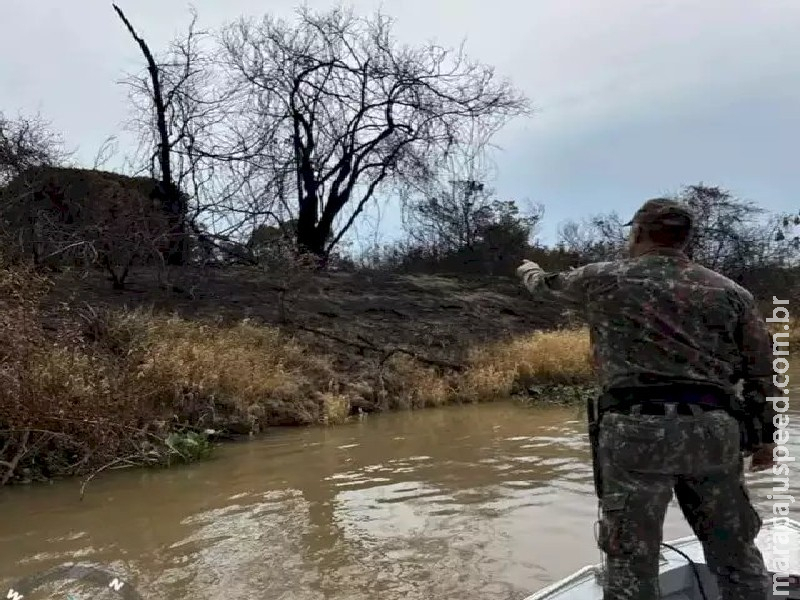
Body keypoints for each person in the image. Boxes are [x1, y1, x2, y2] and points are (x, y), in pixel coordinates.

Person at [516, 198, 777, 600]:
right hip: (713, 431)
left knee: (631, 563)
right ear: (685, 238)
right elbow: (760, 369)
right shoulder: (732, 292)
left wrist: (529, 269)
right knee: (735, 551)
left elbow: (545, 286)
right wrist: (764, 439)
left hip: (635, 432)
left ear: (637, 232)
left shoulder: (603, 279)